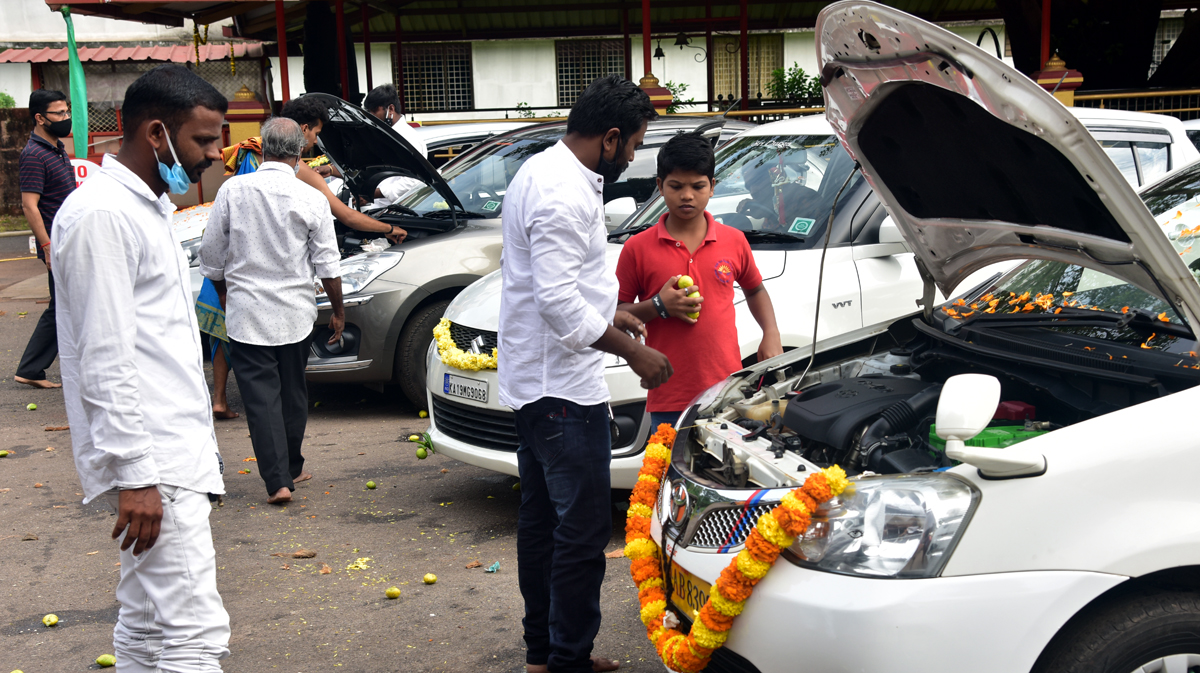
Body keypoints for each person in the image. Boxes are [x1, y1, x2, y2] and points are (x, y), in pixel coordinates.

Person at [53, 64, 231, 672]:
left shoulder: (145, 207)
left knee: (148, 622)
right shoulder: (103, 215)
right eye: (202, 140)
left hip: (171, 453)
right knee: (194, 635)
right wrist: (136, 475)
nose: (215, 153)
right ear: (157, 134)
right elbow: (103, 357)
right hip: (155, 460)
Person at [499, 74, 672, 673]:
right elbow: (556, 302)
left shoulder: (545, 169)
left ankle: (545, 654)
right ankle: (567, 659)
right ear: (611, 137)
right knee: (581, 530)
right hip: (561, 393)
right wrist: (633, 351)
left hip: (536, 381)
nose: (631, 159)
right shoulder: (561, 193)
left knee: (543, 523)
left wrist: (613, 312)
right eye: (633, 146)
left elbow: (557, 285)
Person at [200, 117, 345, 506]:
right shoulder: (311, 197)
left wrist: (224, 295)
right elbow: (328, 265)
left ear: (262, 149)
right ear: (299, 153)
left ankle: (278, 480)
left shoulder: (232, 190)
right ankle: (292, 467)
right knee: (293, 392)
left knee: (261, 397)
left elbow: (211, 257)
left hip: (247, 314)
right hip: (295, 314)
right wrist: (338, 310)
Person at [617, 132, 783, 429]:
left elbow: (755, 289)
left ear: (712, 187)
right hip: (669, 394)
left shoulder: (733, 240)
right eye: (676, 186)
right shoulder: (637, 248)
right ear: (660, 186)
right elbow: (616, 314)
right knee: (667, 459)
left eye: (697, 186)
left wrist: (771, 333)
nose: (687, 195)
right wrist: (658, 306)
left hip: (726, 392)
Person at [14, 89, 76, 389]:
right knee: (62, 305)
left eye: (67, 111)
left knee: (67, 303)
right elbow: (30, 205)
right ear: (40, 118)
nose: (66, 118)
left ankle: (32, 367)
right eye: (59, 113)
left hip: (69, 240)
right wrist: (48, 247)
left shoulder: (56, 148)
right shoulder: (33, 155)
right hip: (57, 244)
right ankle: (30, 368)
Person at [364, 83, 428, 204]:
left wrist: (375, 193)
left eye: (374, 111)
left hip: (392, 210)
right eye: (369, 112)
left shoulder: (409, 138)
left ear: (391, 109)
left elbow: (413, 180)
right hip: (373, 208)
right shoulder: (380, 134)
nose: (371, 117)